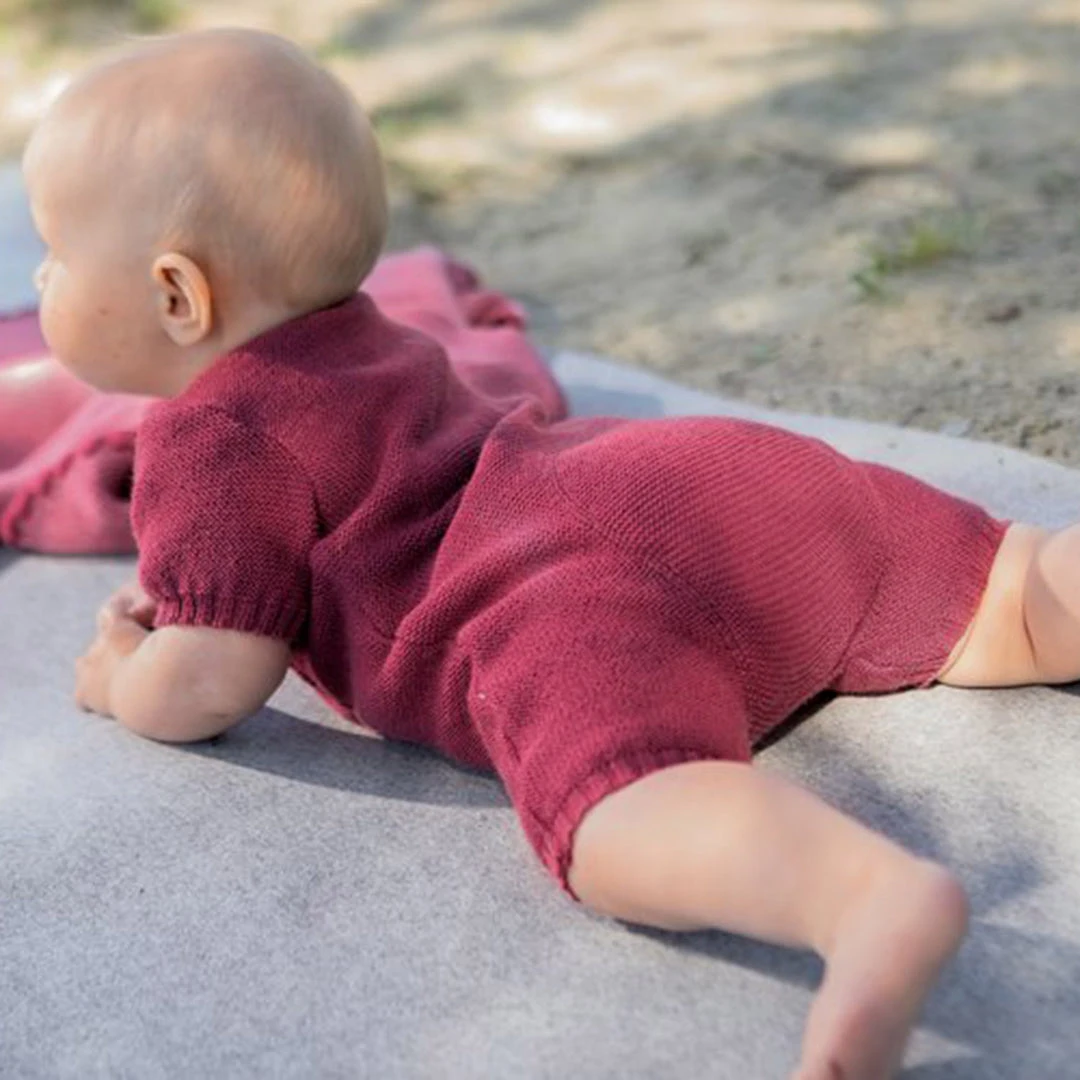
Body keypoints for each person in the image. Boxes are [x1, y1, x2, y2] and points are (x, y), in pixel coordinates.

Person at [23, 28, 1079, 1079]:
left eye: (56, 253)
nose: (39, 277)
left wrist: (124, 679)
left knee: (621, 808)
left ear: (178, 295)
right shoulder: (366, 328)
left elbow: (209, 678)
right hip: (688, 479)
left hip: (552, 600)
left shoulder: (208, 436)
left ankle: (859, 898)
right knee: (1009, 592)